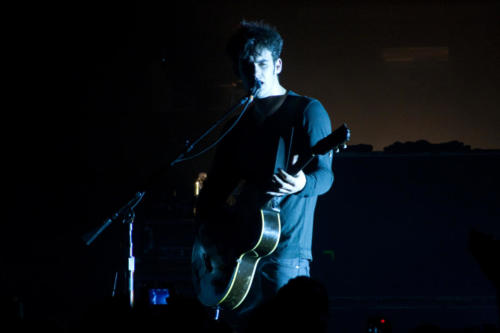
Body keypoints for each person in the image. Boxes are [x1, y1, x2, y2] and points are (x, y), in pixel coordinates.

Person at [194, 20, 334, 328]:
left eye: (262, 63)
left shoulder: (307, 111)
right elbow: (215, 188)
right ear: (237, 70)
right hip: (237, 254)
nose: (255, 73)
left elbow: (326, 176)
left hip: (285, 251)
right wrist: (207, 238)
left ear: (278, 64)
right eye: (247, 66)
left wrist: (302, 183)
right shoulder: (238, 122)